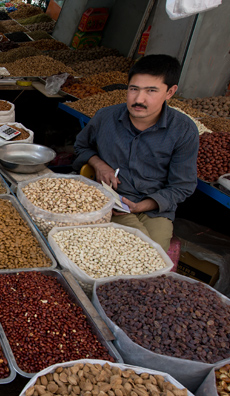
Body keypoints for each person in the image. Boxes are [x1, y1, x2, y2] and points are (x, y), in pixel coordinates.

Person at [72, 54, 199, 251]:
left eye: (151, 91)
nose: (139, 99)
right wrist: (99, 164)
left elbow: (182, 186)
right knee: (138, 252)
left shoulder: (183, 130)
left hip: (155, 208)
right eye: (134, 89)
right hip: (110, 204)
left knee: (153, 256)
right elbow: (81, 147)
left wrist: (141, 206)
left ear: (170, 92)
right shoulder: (106, 117)